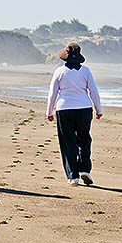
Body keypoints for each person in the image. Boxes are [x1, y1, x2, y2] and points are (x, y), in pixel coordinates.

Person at [46, 43, 102, 186]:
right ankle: (84, 169)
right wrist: (98, 109)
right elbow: (93, 91)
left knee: (68, 142)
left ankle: (73, 176)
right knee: (84, 140)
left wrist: (49, 111)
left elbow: (53, 93)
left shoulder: (59, 71)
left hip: (64, 109)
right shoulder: (86, 71)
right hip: (84, 108)